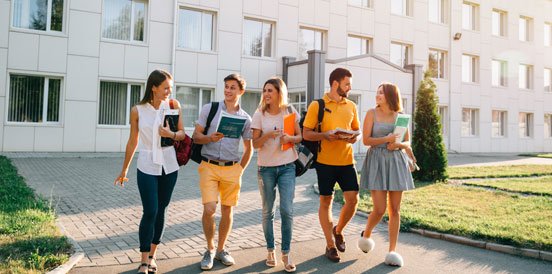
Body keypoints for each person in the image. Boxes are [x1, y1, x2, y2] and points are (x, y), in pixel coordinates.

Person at [114, 69, 183, 274]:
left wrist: (169, 133)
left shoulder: (173, 105)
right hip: (146, 165)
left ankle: (152, 257)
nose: (169, 92)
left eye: (170, 88)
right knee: (150, 210)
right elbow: (133, 140)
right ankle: (143, 260)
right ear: (154, 87)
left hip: (169, 166)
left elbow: (181, 134)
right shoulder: (137, 110)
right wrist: (124, 168)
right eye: (165, 88)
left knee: (161, 210)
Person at [192, 74, 253, 270]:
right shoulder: (210, 109)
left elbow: (249, 147)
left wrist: (240, 169)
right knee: (209, 209)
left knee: (227, 210)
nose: (228, 90)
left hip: (231, 168)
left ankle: (221, 249)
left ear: (240, 92)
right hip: (209, 165)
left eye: (232, 87)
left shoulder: (245, 118)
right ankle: (209, 249)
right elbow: (195, 136)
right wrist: (210, 138)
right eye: (226, 86)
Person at [303, 67, 360, 262]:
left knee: (353, 200)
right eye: (347, 84)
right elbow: (306, 133)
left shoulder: (351, 106)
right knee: (325, 202)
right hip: (325, 163)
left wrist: (353, 138)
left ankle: (338, 230)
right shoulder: (316, 105)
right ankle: (329, 245)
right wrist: (324, 135)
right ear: (336, 84)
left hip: (346, 161)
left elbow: (356, 130)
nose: (349, 87)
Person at [357, 82, 415, 267]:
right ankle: (366, 234)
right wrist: (387, 139)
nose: (377, 95)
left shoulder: (401, 117)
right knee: (380, 209)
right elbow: (366, 140)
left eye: (381, 93)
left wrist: (397, 144)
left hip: (396, 162)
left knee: (395, 210)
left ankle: (392, 250)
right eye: (377, 92)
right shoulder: (371, 113)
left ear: (390, 96)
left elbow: (407, 141)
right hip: (377, 161)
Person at [251, 77, 302, 272]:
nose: (266, 94)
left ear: (279, 92)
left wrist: (290, 138)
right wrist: (267, 136)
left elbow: (300, 136)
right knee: (267, 211)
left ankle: (286, 253)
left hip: (287, 166)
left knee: (287, 210)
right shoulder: (259, 114)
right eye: (264, 90)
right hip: (266, 168)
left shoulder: (289, 111)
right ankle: (270, 249)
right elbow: (254, 144)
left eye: (270, 90)